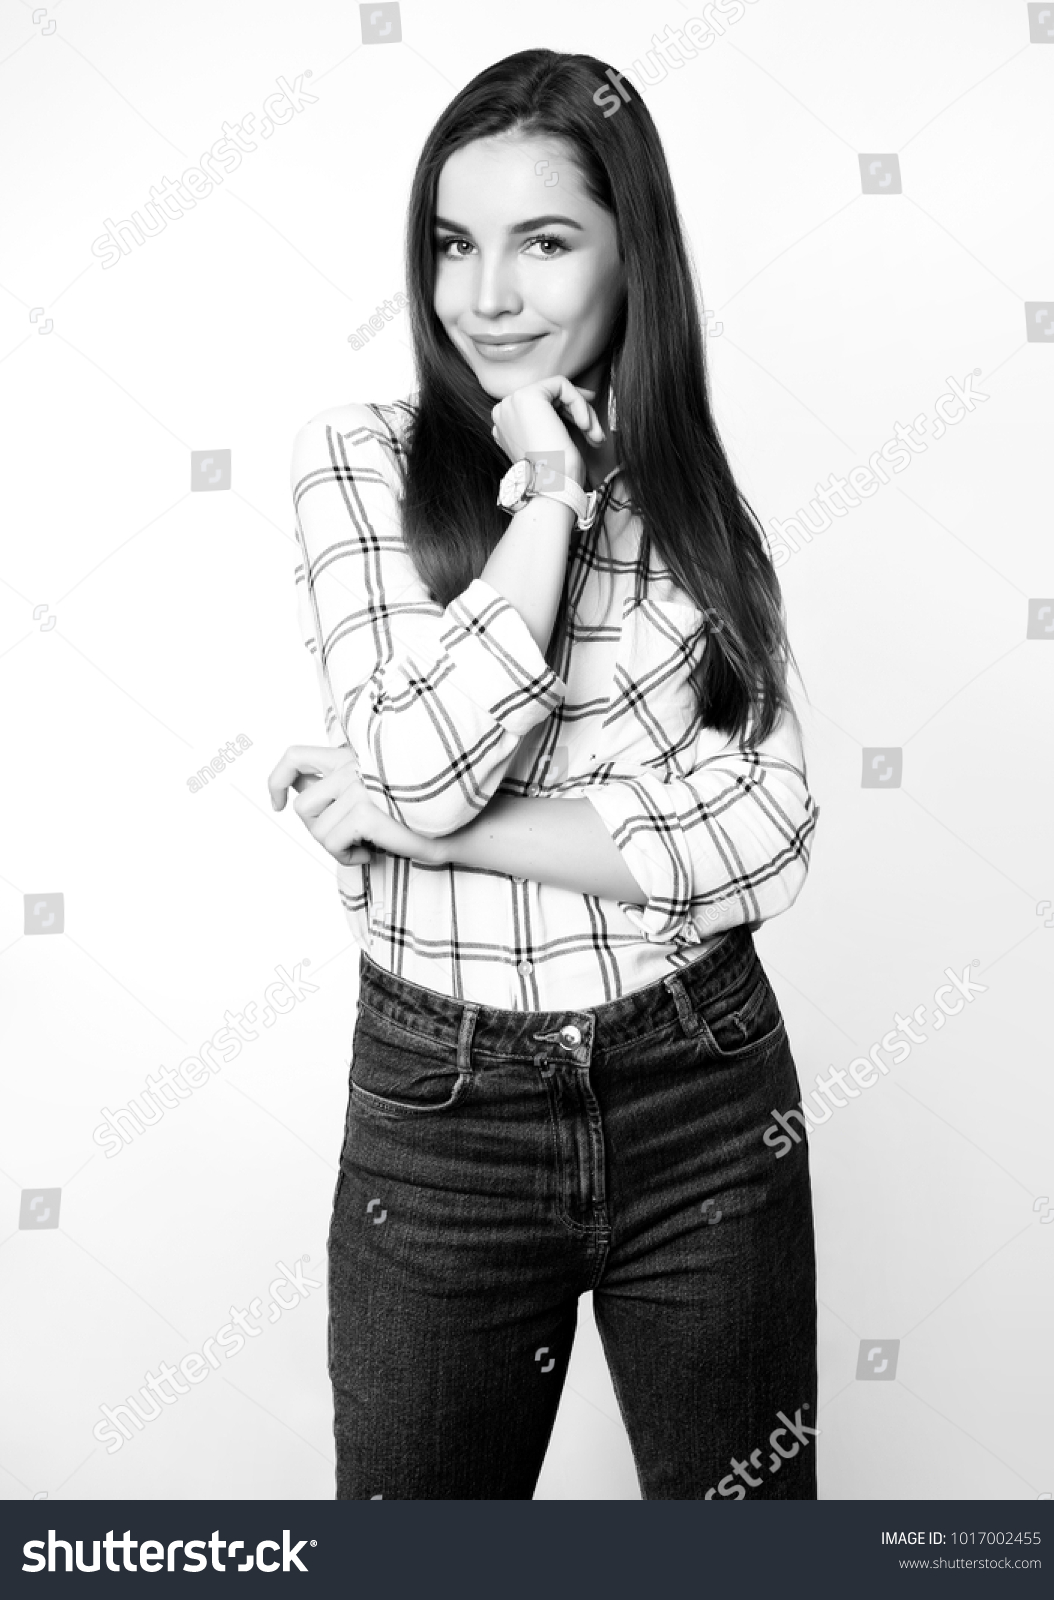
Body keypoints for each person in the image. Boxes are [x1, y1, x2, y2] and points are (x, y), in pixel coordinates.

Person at [268, 48, 820, 1501]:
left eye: (547, 242)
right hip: (444, 1108)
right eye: (456, 244)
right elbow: (417, 764)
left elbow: (767, 835)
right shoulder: (359, 462)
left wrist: (443, 835)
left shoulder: (699, 508)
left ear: (635, 258)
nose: (488, 295)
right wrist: (552, 502)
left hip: (704, 1086)